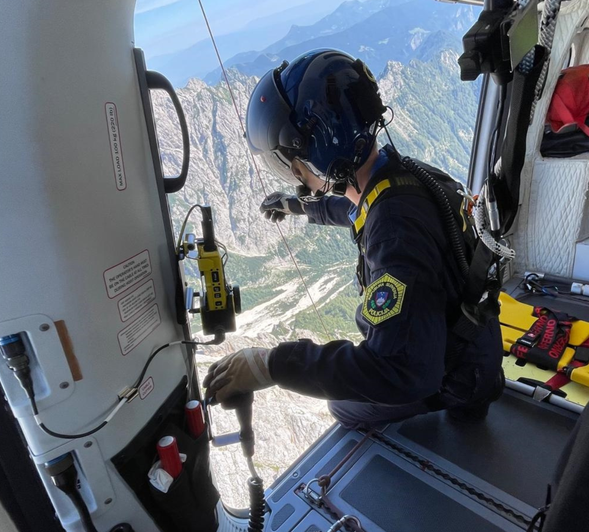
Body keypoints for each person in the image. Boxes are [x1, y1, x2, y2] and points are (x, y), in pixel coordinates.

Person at [204, 49, 504, 429]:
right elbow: (353, 209)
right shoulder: (400, 175)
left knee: (342, 407)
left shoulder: (394, 230)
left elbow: (400, 371)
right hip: (478, 350)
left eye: (291, 163)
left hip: (458, 376)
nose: (294, 173)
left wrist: (273, 365)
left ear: (314, 151)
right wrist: (297, 206)